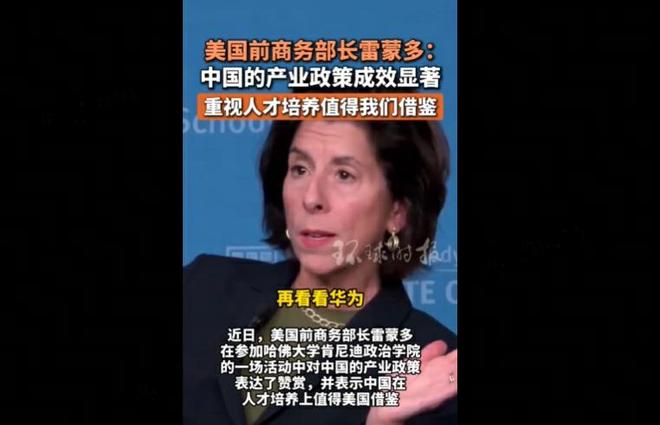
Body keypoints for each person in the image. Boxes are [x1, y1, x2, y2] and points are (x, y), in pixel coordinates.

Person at [184, 117, 457, 425]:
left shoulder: (434, 370)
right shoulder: (203, 286)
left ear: (397, 211)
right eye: (300, 169)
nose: (311, 198)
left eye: (344, 175)